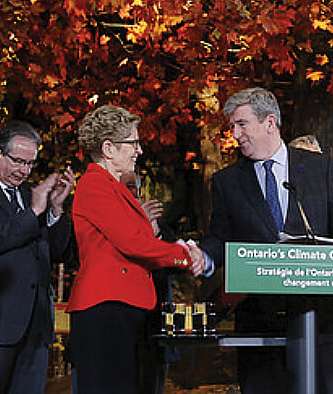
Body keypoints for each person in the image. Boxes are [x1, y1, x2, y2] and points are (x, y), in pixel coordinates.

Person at [199, 87, 333, 393]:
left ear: (270, 123)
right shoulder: (226, 182)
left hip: (323, 321)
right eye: (233, 126)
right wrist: (203, 258)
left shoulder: (318, 167)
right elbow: (219, 238)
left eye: (241, 124)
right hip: (259, 325)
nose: (235, 134)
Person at [66, 105, 204, 393]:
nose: (139, 150)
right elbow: (133, 243)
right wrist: (182, 255)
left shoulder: (114, 188)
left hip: (124, 307)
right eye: (133, 143)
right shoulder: (94, 185)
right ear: (108, 148)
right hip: (105, 309)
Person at [0, 120, 75, 393]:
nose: (24, 171)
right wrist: (32, 213)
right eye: (18, 161)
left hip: (35, 330)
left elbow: (57, 253)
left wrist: (55, 210)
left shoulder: (32, 194)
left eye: (30, 164)